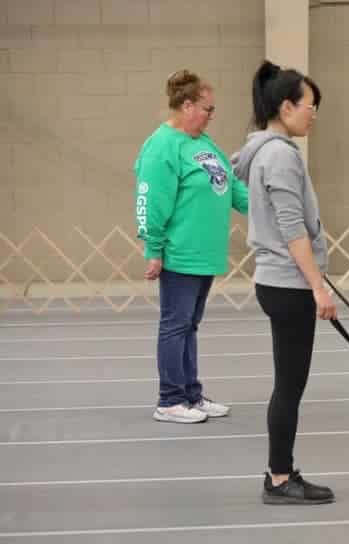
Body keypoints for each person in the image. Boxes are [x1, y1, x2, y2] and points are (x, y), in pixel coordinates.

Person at [232, 61, 337, 505]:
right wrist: (318, 285)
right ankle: (279, 478)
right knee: (290, 385)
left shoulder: (266, 151)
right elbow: (292, 227)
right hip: (288, 284)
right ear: (287, 105)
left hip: (280, 280)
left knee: (288, 383)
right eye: (311, 106)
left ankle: (281, 471)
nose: (314, 114)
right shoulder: (279, 155)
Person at [134, 70, 249, 423]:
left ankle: (191, 395)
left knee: (189, 326)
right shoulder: (162, 145)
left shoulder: (204, 143)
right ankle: (169, 400)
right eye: (207, 108)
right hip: (179, 252)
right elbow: (151, 200)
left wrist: (262, 208)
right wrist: (153, 249)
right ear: (187, 106)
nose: (211, 115)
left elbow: (229, 185)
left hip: (206, 254)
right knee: (175, 325)